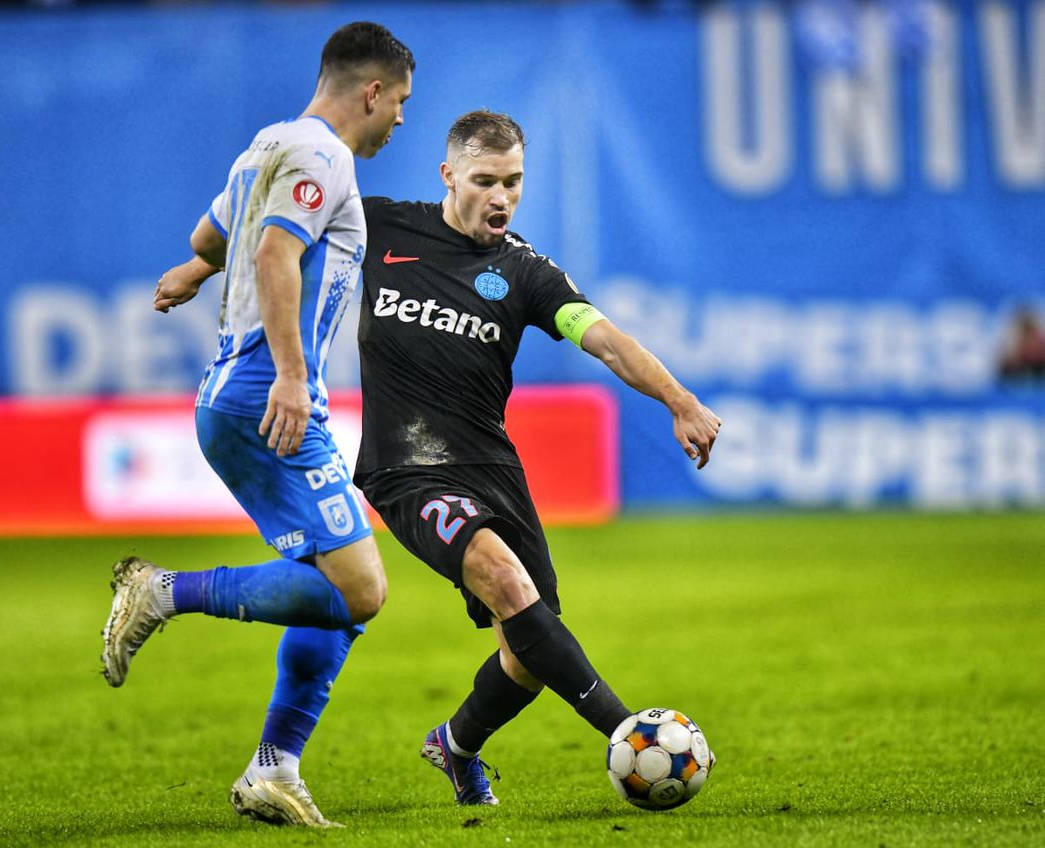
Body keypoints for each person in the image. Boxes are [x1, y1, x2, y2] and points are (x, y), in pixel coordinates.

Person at [353, 111, 721, 806]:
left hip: (491, 468)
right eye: (485, 181)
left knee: (528, 648)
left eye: (514, 182)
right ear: (448, 175)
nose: (502, 197)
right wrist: (200, 264)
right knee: (508, 584)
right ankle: (632, 738)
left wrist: (679, 400)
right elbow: (280, 231)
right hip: (404, 467)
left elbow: (607, 340)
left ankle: (455, 744)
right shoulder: (380, 227)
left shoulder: (524, 270)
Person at [99, 21, 414, 828]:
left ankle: (274, 768)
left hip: (237, 394)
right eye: (400, 101)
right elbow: (274, 253)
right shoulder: (324, 156)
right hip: (264, 396)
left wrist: (196, 270)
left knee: (335, 592)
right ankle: (163, 592)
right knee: (362, 589)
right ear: (372, 91)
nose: (400, 119)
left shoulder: (266, 146)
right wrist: (294, 377)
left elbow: (212, 236)